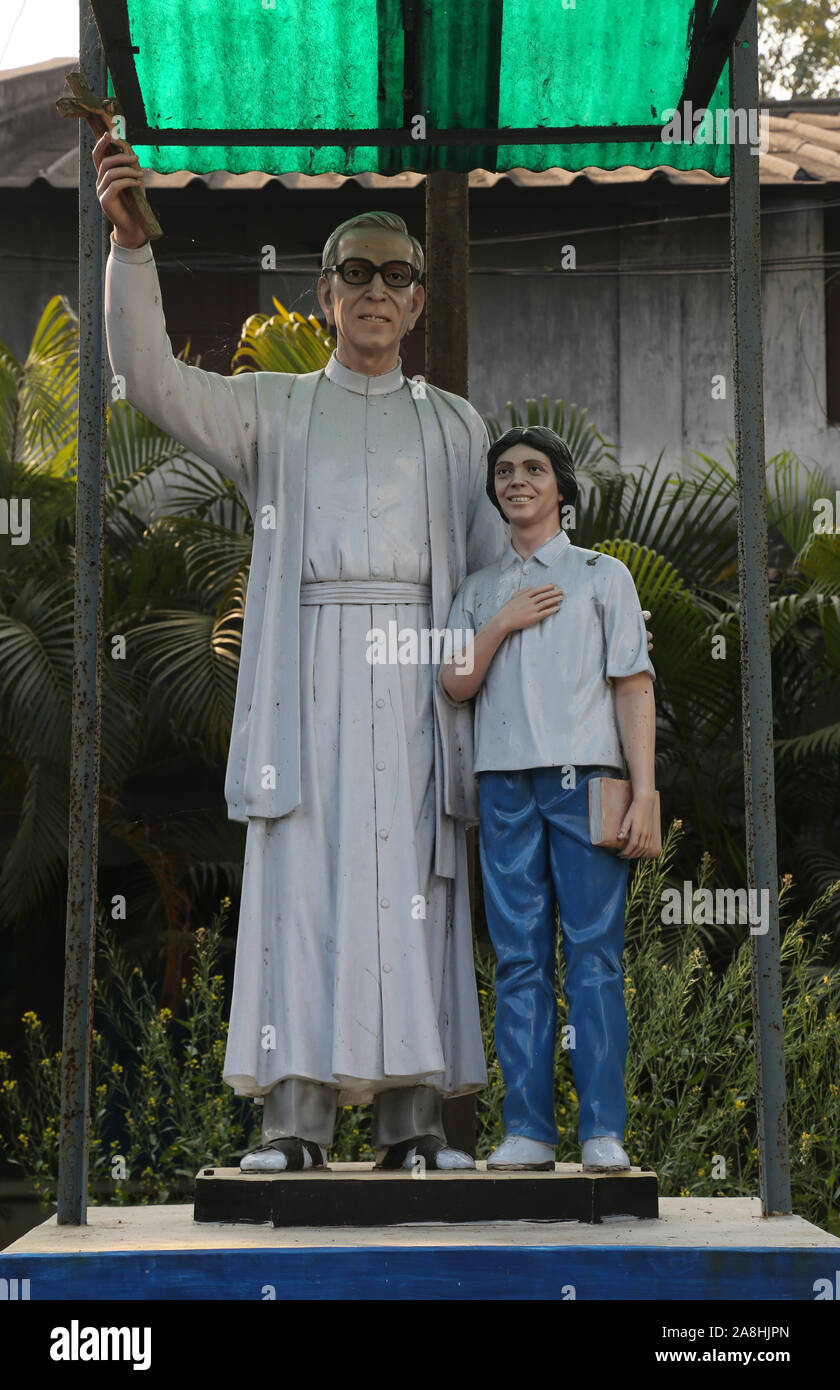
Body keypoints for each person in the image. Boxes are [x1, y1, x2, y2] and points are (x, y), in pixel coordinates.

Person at [95, 132, 507, 1173]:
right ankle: (292, 1125)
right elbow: (148, 380)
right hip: (304, 671)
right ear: (326, 294)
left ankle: (414, 1125)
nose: (376, 291)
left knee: (416, 886)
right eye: (356, 273)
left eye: (396, 275)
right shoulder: (271, 410)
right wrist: (132, 247)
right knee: (302, 884)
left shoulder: (459, 426)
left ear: (418, 302)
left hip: (422, 677)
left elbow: (501, 574)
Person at [439, 426, 657, 1172]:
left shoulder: (604, 576)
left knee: (594, 956)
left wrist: (646, 792)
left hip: (588, 781)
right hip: (505, 786)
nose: (516, 480)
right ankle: (527, 1130)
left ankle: (603, 1130)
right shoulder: (478, 589)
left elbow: (633, 685)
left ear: (562, 487)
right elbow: (455, 682)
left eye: (533, 469)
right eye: (503, 471)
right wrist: (503, 620)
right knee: (518, 960)